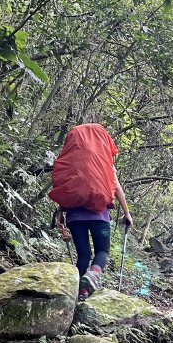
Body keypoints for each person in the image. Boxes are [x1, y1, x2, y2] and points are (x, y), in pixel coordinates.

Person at [51, 123, 133, 299]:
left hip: (74, 216)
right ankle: (93, 274)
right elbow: (116, 186)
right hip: (99, 215)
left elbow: (66, 186)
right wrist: (126, 213)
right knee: (102, 252)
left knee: (83, 254)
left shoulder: (72, 160)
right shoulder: (104, 163)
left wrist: (60, 211)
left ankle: (77, 293)